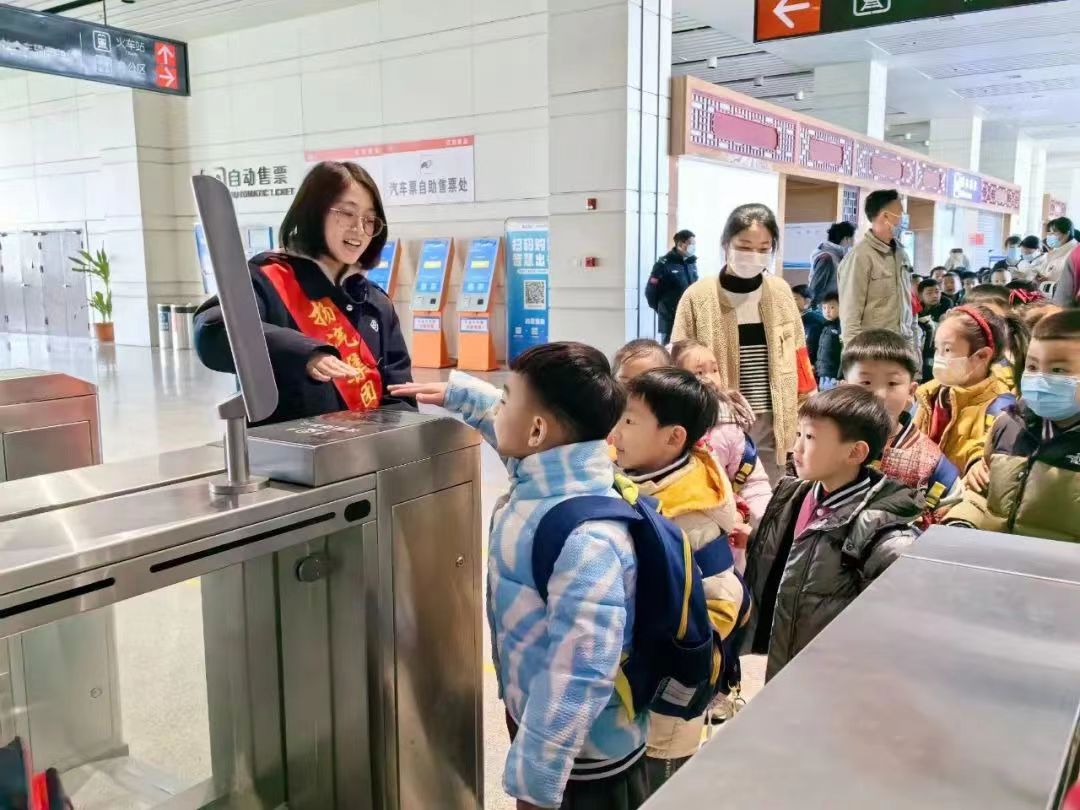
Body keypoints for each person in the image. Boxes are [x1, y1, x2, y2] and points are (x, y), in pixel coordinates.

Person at [388, 344, 649, 810]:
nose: (497, 410)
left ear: (537, 430)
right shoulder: (559, 473)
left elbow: (580, 674)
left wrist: (536, 782)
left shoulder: (586, 541)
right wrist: (461, 396)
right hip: (544, 725)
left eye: (506, 400)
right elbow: (514, 432)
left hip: (583, 758)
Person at [194, 161, 413, 424]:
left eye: (369, 219)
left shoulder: (375, 302)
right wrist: (305, 353)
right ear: (315, 212)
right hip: (287, 446)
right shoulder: (267, 279)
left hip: (367, 446)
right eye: (347, 213)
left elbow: (400, 393)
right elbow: (213, 329)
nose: (359, 229)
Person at [609, 368, 746, 786]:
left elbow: (722, 598)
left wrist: (674, 656)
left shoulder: (689, 513)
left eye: (629, 420)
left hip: (665, 690)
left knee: (658, 779)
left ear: (673, 438)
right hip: (631, 679)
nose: (615, 431)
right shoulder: (642, 478)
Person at [744, 386, 921, 681]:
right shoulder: (794, 494)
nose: (797, 448)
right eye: (798, 434)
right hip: (784, 660)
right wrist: (752, 539)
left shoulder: (883, 534)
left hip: (832, 676)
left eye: (810, 438)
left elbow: (888, 630)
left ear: (855, 452)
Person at [673, 204, 817, 484]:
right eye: (744, 247)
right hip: (717, 422)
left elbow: (799, 354)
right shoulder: (698, 297)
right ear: (726, 244)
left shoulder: (780, 292)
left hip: (774, 422)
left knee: (767, 495)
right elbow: (678, 363)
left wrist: (807, 409)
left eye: (763, 248)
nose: (753, 256)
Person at [946, 310, 1080, 541]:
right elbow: (983, 495)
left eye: (1058, 370)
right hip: (995, 555)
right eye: (1033, 367)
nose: (1040, 380)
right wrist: (962, 520)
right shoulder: (1009, 425)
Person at [842, 330, 962, 524]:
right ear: (844, 388)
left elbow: (954, 511)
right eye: (866, 382)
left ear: (911, 391)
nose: (879, 394)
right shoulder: (826, 443)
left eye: (892, 383)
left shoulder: (930, 461)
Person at [671, 339, 774, 530]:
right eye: (699, 372)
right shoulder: (665, 426)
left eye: (714, 370)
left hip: (724, 524)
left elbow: (753, 482)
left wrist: (767, 523)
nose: (710, 378)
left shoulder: (728, 426)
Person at [913, 305, 1018, 473]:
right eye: (937, 349)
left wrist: (976, 464)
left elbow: (982, 459)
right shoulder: (930, 394)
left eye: (947, 349)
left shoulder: (1000, 409)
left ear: (982, 355)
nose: (938, 358)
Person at [837, 189, 918, 357]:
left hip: (902, 350)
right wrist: (856, 360)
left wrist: (914, 353)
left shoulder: (902, 254)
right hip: (873, 353)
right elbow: (850, 317)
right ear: (885, 216)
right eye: (900, 213)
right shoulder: (860, 257)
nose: (904, 219)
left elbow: (909, 307)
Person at [646, 230, 699, 343]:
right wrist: (663, 309)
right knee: (669, 351)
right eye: (691, 244)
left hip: (689, 318)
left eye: (694, 244)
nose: (693, 247)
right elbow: (650, 292)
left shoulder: (691, 263)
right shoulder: (664, 264)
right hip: (670, 320)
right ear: (680, 244)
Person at [808, 221, 856, 304]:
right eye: (853, 239)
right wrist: (814, 310)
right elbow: (815, 290)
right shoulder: (826, 258)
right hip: (824, 309)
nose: (853, 243)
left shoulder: (837, 256)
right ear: (846, 239)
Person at [792, 283, 826, 365]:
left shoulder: (814, 320)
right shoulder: (800, 319)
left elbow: (812, 347)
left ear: (807, 302)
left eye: (795, 299)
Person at [816, 293, 842, 389]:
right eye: (824, 308)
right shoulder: (825, 326)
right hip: (823, 372)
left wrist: (841, 375)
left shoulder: (841, 326)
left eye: (832, 307)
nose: (827, 311)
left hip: (834, 374)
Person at [1042, 217, 1077, 285]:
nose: (1050, 237)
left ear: (1066, 233)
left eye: (1054, 233)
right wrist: (1045, 278)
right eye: (1050, 233)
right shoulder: (1056, 250)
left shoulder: (1075, 253)